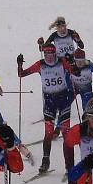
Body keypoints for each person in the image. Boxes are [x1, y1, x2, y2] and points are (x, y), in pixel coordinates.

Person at [17, 44, 74, 174]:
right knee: (48, 133)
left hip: (63, 99)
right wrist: (19, 64)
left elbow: (75, 71)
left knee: (67, 134)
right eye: (46, 54)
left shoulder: (61, 61)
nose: (48, 57)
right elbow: (21, 74)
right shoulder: (40, 64)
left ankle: (69, 165)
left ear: (55, 54)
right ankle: (45, 161)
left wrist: (71, 62)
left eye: (51, 54)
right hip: (49, 101)